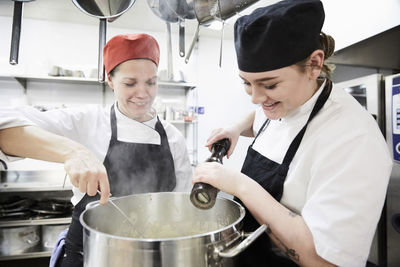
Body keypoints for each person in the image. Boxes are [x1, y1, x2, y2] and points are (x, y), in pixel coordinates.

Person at [192, 1, 392, 266]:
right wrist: (236, 128)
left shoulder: (354, 139)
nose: (255, 98)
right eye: (246, 84)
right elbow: (264, 118)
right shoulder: (286, 101)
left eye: (269, 85)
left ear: (314, 65)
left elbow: (323, 260)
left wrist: (239, 184)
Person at [0, 33, 192, 267]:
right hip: (89, 253)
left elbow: (182, 209)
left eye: (151, 82)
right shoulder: (87, 122)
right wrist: (72, 152)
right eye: (130, 83)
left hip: (151, 256)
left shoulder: (174, 138)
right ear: (110, 80)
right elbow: (4, 127)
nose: (143, 93)